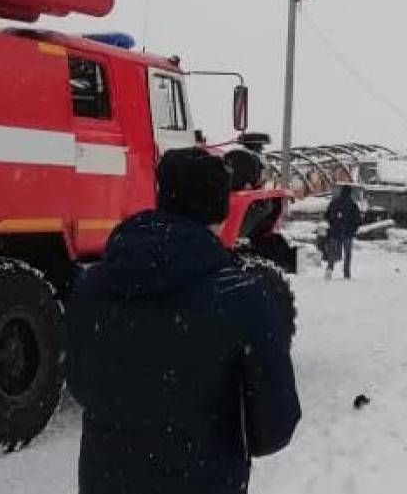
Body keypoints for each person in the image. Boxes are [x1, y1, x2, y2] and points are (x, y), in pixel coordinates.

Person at [67, 148, 301, 494]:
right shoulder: (242, 296)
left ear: (163, 199)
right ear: (221, 210)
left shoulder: (92, 286)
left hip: (106, 481)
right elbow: (274, 428)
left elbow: (81, 384)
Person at [324, 185, 363, 280]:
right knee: (347, 254)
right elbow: (358, 220)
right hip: (348, 233)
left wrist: (332, 224)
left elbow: (327, 215)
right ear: (350, 193)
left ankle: (329, 268)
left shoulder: (334, 203)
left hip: (335, 232)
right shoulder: (353, 205)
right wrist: (353, 229)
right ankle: (346, 272)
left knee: (332, 253)